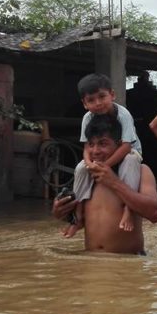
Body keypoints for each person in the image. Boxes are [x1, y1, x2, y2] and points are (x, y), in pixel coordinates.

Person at [51, 114, 157, 254]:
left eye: (103, 144)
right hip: (91, 263)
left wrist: (114, 182)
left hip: (127, 265)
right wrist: (59, 213)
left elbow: (155, 214)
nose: (95, 151)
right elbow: (81, 221)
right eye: (91, 144)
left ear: (119, 145)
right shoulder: (87, 175)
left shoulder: (141, 171)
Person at [63, 73, 143, 238]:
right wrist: (89, 163)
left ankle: (128, 209)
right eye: (91, 100)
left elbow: (127, 146)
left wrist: (105, 167)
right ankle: (77, 217)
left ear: (112, 95)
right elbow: (86, 146)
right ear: (84, 104)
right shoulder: (88, 118)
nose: (98, 103)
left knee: (131, 160)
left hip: (128, 150)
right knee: (80, 168)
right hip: (101, 155)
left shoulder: (123, 114)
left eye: (102, 97)